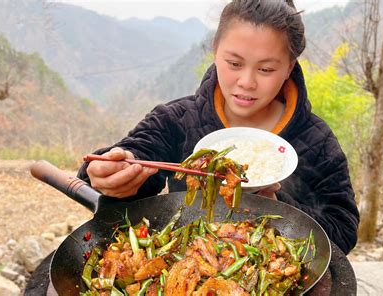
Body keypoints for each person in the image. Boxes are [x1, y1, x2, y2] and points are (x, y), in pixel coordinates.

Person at [78, 0, 359, 254]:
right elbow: (135, 155)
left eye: (266, 70)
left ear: (289, 68)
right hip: (189, 262)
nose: (246, 82)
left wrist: (281, 206)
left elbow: (344, 229)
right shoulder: (177, 119)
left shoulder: (317, 140)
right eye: (234, 63)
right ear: (215, 51)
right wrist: (112, 174)